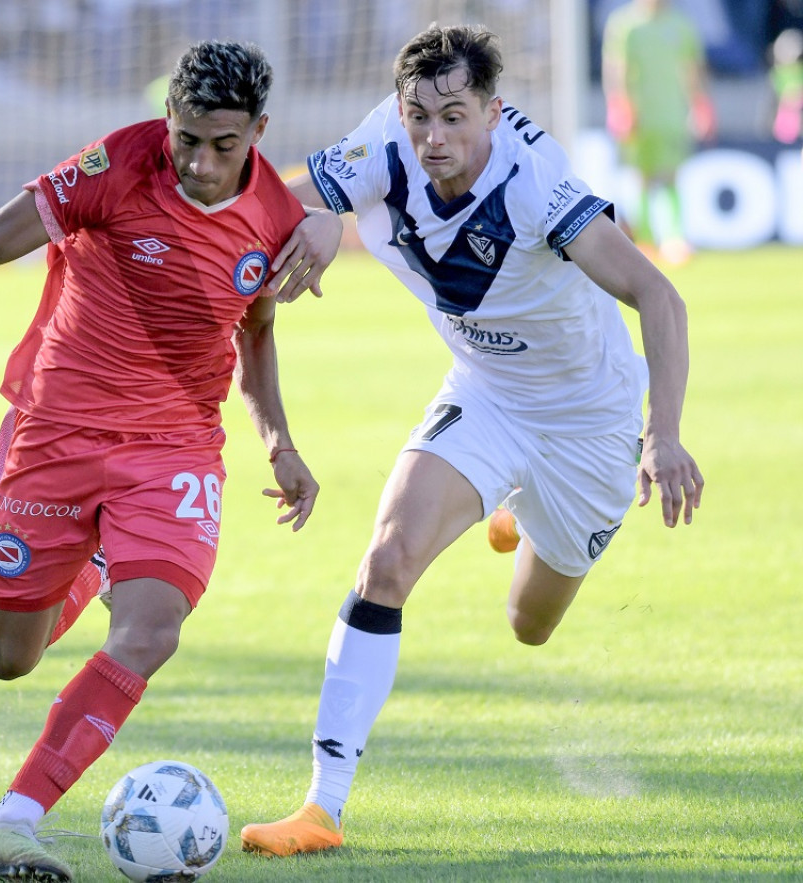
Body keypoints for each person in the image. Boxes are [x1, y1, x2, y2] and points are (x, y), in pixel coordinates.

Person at [0, 40, 337, 881]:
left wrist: (278, 441)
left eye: (225, 145)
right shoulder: (116, 165)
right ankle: (96, 558)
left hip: (172, 445)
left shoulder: (277, 218)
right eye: (188, 141)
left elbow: (256, 332)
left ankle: (10, 820)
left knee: (152, 632)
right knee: (8, 657)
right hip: (57, 429)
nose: (202, 165)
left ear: (258, 132)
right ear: (167, 118)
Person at [239, 23, 703, 857]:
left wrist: (660, 436)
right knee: (385, 560)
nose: (432, 137)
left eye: (454, 117)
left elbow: (659, 297)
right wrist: (308, 216)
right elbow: (291, 192)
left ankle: (516, 512)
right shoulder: (391, 132)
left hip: (590, 423)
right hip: (487, 396)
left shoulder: (538, 184)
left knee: (529, 624)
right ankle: (322, 807)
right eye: (420, 116)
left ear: (493, 110)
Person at [601, 0, 715, 265]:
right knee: (641, 177)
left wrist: (701, 105)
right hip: (639, 115)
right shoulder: (625, 23)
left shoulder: (681, 24)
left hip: (672, 115)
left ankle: (674, 239)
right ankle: (645, 240)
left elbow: (692, 69)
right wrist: (619, 106)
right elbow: (616, 68)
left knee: (672, 176)